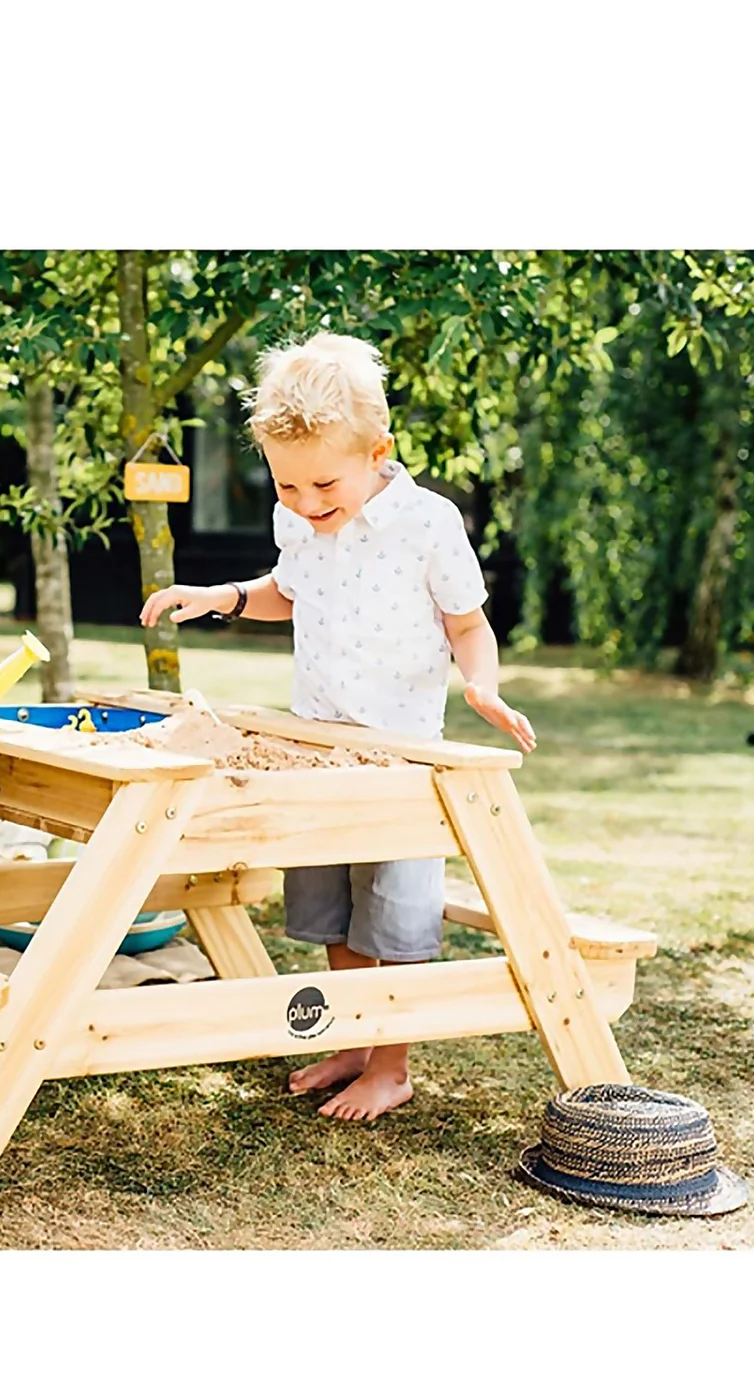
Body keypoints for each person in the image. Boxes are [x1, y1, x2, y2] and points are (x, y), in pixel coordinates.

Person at [141, 332, 537, 1122]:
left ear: (377, 451)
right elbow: (289, 592)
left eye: (323, 484)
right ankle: (354, 1041)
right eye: (287, 486)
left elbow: (467, 624)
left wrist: (482, 688)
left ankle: (392, 1066)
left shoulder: (429, 524)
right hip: (318, 748)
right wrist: (219, 595)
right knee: (331, 904)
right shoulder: (299, 520)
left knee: (394, 914)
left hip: (401, 757)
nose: (307, 503)